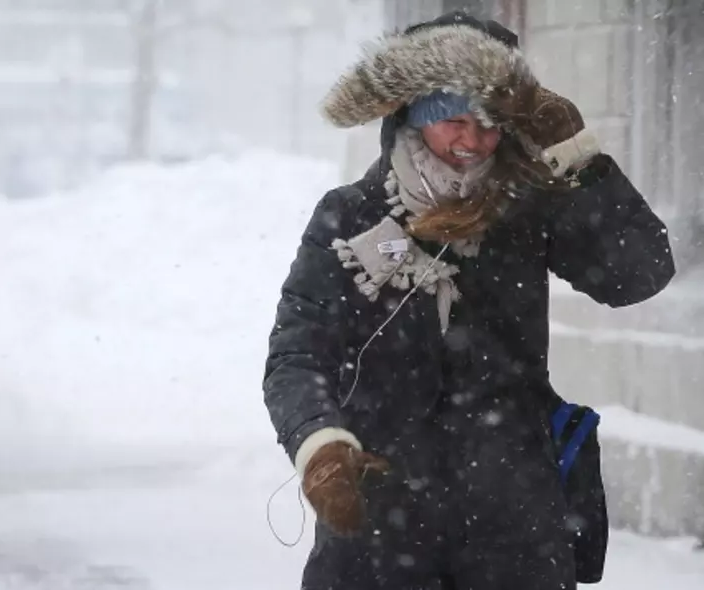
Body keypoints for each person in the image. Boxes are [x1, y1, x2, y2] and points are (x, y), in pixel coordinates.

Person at [262, 12, 674, 590]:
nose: (472, 142)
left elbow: (640, 273)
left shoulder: (530, 210)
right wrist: (320, 444)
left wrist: (576, 152)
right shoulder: (351, 214)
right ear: (412, 114)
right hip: (381, 526)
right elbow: (298, 353)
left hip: (512, 529)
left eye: (489, 124)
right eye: (453, 120)